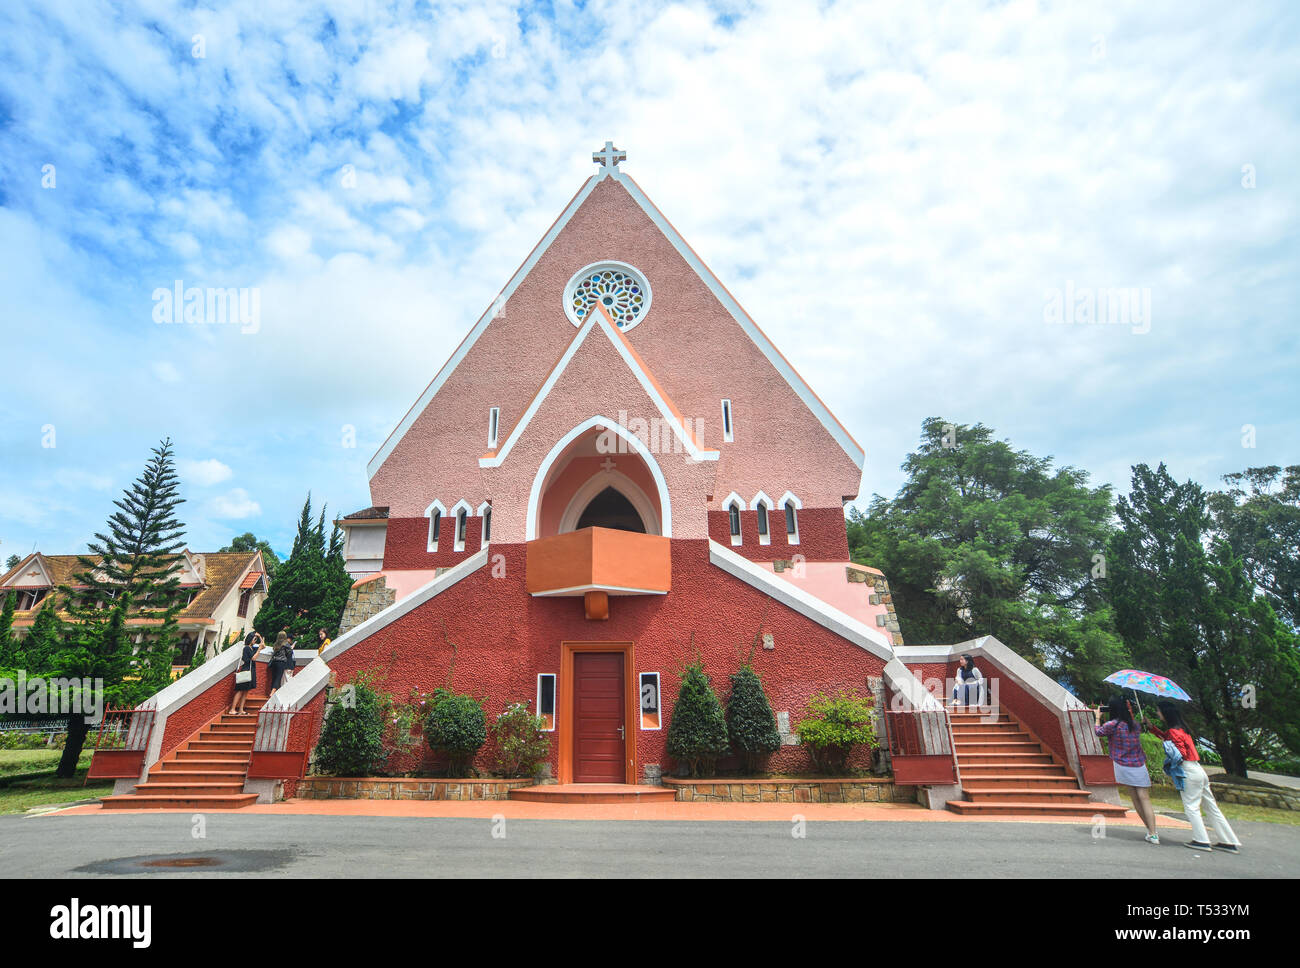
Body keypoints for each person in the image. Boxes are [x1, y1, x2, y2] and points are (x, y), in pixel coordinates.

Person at [1148, 701, 1241, 853]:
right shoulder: (1182, 729)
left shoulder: (1173, 732)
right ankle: (1228, 840)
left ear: (1166, 713)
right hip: (1198, 769)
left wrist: (1168, 752)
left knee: (1191, 806)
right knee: (1211, 806)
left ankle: (1202, 840)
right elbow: (1168, 738)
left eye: (1159, 711)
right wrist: (1153, 728)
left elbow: (1180, 754)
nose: (1158, 713)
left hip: (1187, 771)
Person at [1095, 696, 1160, 844]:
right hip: (1139, 764)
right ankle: (1153, 832)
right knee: (1144, 798)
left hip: (1122, 764)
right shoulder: (1134, 725)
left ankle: (1149, 830)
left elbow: (1098, 732)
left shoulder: (1112, 724)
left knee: (1135, 798)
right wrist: (1146, 723)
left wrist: (1098, 718)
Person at [229, 632, 261, 715]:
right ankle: (232, 709)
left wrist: (259, 637)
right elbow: (253, 658)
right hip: (246, 669)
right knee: (240, 690)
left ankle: (241, 709)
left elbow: (263, 645)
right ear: (250, 639)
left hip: (251, 670)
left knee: (246, 691)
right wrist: (259, 649)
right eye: (254, 639)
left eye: (256, 639)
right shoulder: (246, 648)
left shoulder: (252, 648)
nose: (255, 641)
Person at [267, 630, 294, 698]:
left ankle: (271, 690)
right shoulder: (286, 644)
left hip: (274, 662)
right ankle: (272, 692)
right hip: (281, 662)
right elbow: (289, 653)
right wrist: (291, 648)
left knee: (274, 677)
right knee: (278, 678)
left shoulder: (275, 644)